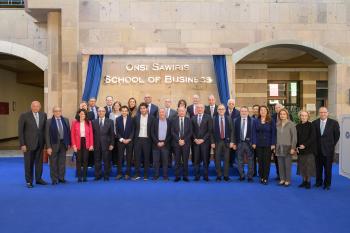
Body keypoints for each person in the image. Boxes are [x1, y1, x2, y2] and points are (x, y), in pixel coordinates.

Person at [18, 101, 48, 188]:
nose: (36, 107)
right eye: (34, 106)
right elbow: (20, 131)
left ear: (40, 107)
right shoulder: (24, 115)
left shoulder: (43, 115)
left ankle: (38, 179)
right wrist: (22, 144)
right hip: (28, 144)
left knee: (39, 163)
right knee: (29, 163)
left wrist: (46, 143)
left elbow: (44, 130)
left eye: (37, 106)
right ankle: (29, 181)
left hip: (40, 143)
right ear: (31, 107)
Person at [312, 107, 340, 190]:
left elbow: (337, 136)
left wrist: (331, 145)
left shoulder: (334, 123)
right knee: (318, 168)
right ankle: (318, 182)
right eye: (321, 112)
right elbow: (313, 137)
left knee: (328, 168)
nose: (323, 114)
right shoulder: (314, 123)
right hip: (317, 150)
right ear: (318, 113)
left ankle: (327, 184)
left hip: (328, 150)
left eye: (324, 112)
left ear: (327, 113)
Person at [45, 107, 71, 185]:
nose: (58, 112)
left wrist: (68, 143)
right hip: (53, 145)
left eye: (59, 111)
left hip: (63, 144)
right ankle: (54, 179)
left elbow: (68, 132)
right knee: (53, 163)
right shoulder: (49, 121)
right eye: (56, 111)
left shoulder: (66, 120)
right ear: (53, 112)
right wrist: (48, 147)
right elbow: (46, 135)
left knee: (62, 162)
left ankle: (61, 178)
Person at [252, 105, 276, 185]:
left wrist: (273, 143)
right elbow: (254, 132)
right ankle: (261, 176)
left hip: (268, 144)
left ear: (267, 111)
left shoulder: (271, 120)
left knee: (266, 161)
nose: (262, 111)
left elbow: (273, 133)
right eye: (261, 110)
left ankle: (265, 177)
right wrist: (254, 142)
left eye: (264, 110)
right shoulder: (256, 121)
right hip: (258, 144)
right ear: (259, 112)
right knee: (260, 161)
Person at [211, 104, 234, 181]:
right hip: (217, 142)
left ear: (225, 110)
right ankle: (219, 175)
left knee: (226, 159)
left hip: (227, 142)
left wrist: (232, 141)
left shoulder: (229, 118)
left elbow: (232, 131)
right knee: (217, 159)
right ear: (217, 111)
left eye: (222, 109)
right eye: (219, 109)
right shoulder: (214, 119)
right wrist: (212, 142)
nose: (221, 110)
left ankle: (226, 175)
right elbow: (211, 132)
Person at [233, 106, 256, 182]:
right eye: (242, 111)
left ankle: (250, 176)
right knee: (239, 160)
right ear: (240, 112)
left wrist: (254, 142)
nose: (244, 112)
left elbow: (255, 133)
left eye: (245, 111)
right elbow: (233, 133)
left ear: (248, 112)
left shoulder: (252, 121)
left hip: (249, 143)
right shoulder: (235, 120)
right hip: (239, 143)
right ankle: (241, 175)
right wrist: (234, 143)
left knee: (250, 160)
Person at [275, 109, 297, 187]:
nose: (282, 115)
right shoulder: (277, 124)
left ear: (287, 115)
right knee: (280, 164)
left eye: (284, 114)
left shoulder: (291, 124)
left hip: (288, 147)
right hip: (279, 147)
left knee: (287, 165)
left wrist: (293, 148)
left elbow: (294, 137)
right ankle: (282, 179)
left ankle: (287, 180)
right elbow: (275, 136)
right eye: (281, 114)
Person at [92, 107, 115, 181]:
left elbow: (112, 134)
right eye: (99, 111)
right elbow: (92, 134)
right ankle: (97, 175)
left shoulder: (110, 121)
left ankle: (106, 175)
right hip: (96, 144)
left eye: (102, 111)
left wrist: (112, 144)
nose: (101, 112)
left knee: (106, 161)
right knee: (97, 160)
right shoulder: (93, 122)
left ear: (105, 112)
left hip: (107, 144)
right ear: (97, 112)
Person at [71, 109, 94, 182]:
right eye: (81, 114)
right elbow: (72, 135)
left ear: (85, 115)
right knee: (78, 160)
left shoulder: (89, 122)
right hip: (78, 142)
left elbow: (91, 134)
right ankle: (79, 177)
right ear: (78, 114)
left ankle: (84, 176)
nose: (82, 115)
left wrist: (91, 145)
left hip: (86, 142)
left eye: (84, 114)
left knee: (85, 160)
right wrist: (74, 145)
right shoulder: (74, 122)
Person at [133, 102, 154, 180]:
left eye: (144, 108)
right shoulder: (136, 117)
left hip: (147, 140)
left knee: (146, 158)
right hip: (138, 140)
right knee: (137, 158)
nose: (142, 110)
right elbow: (134, 129)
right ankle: (137, 174)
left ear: (147, 109)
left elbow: (153, 130)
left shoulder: (152, 118)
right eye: (141, 108)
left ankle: (146, 175)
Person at [191, 103, 212, 181]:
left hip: (205, 143)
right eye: (198, 108)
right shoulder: (193, 118)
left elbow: (210, 131)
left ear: (204, 109)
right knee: (196, 160)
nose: (199, 109)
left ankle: (205, 176)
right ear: (196, 109)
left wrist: (203, 139)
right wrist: (195, 139)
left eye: (201, 108)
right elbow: (191, 130)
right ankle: (197, 176)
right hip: (196, 143)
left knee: (205, 160)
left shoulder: (208, 117)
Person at [296, 110, 316, 189]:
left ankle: (308, 182)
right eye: (302, 115)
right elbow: (296, 138)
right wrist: (296, 147)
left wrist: (305, 145)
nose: (303, 117)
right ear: (300, 117)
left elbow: (312, 137)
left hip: (309, 149)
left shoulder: (311, 125)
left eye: (305, 116)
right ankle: (304, 181)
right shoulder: (297, 126)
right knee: (302, 166)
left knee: (308, 166)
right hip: (300, 150)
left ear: (308, 117)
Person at [172, 106, 192, 182]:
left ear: (185, 112)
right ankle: (177, 176)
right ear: (178, 112)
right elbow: (172, 132)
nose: (181, 112)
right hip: (176, 143)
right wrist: (179, 140)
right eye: (180, 111)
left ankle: (185, 176)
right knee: (177, 161)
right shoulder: (173, 120)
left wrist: (184, 140)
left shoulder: (189, 120)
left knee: (185, 160)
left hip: (186, 143)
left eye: (183, 111)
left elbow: (190, 132)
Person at [151, 108, 172, 180]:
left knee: (165, 161)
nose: (162, 113)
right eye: (160, 112)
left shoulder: (169, 122)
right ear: (158, 113)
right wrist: (157, 142)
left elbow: (170, 134)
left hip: (165, 144)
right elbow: (152, 133)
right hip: (156, 144)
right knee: (156, 161)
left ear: (165, 113)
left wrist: (164, 142)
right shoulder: (154, 121)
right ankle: (156, 175)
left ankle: (165, 176)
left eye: (163, 112)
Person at [115, 106, 134, 180]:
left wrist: (129, 139)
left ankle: (127, 174)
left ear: (128, 111)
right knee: (120, 158)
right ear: (121, 111)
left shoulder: (132, 119)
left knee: (129, 158)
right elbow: (117, 131)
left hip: (129, 141)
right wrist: (122, 139)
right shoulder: (117, 119)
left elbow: (133, 130)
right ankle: (119, 173)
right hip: (121, 141)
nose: (124, 112)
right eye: (123, 111)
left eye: (126, 111)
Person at [225, 98, 240, 169]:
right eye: (230, 104)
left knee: (233, 149)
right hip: (225, 134)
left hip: (234, 134)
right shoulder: (224, 111)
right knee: (226, 150)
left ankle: (232, 162)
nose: (231, 105)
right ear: (227, 104)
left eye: (232, 104)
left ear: (234, 105)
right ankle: (226, 163)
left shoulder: (238, 112)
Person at [109, 101, 122, 167]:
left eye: (118, 105)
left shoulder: (122, 114)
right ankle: (114, 162)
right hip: (112, 133)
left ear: (120, 106)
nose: (116, 107)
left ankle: (119, 162)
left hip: (120, 133)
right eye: (115, 105)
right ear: (113, 106)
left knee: (119, 148)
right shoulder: (111, 114)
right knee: (113, 148)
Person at [251, 104, 260, 176]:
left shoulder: (262, 118)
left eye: (257, 109)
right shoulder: (250, 118)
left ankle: (260, 172)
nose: (255, 110)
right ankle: (254, 172)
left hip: (260, 142)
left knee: (260, 158)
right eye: (254, 109)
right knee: (252, 158)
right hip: (252, 142)